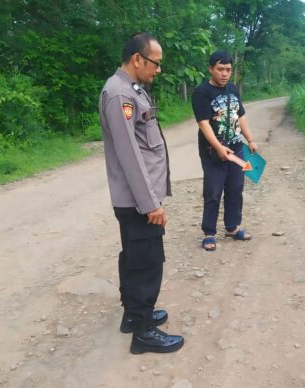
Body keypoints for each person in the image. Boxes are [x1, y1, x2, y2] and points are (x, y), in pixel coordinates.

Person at [99, 32, 184, 354]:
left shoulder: (130, 90)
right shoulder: (118, 95)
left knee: (135, 259)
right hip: (138, 201)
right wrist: (150, 204)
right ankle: (144, 332)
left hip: (139, 197)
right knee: (146, 264)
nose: (158, 70)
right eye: (155, 63)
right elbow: (130, 154)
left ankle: (134, 318)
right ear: (137, 59)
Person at [191, 50, 259, 251]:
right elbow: (203, 124)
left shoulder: (232, 89)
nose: (224, 74)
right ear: (210, 69)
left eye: (228, 70)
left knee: (235, 189)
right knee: (213, 191)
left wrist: (251, 139)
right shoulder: (201, 92)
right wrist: (220, 148)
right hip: (213, 151)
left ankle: (231, 227)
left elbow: (241, 116)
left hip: (237, 149)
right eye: (220, 69)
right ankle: (209, 232)